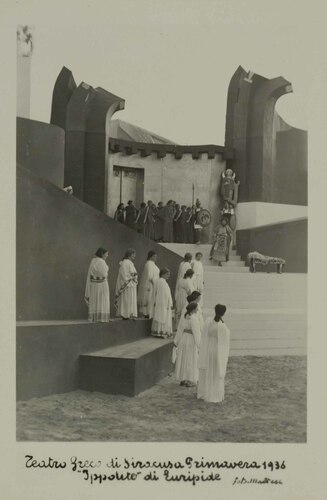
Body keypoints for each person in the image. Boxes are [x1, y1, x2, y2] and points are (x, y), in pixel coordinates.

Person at [197, 304, 230, 403]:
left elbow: (204, 335)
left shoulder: (208, 321)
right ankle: (214, 394)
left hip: (208, 349)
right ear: (223, 314)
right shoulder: (222, 326)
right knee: (216, 371)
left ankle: (206, 392)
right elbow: (225, 341)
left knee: (208, 370)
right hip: (217, 350)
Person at [174, 302, 201, 387]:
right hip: (191, 340)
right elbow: (197, 333)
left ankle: (183, 378)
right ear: (193, 309)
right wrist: (200, 346)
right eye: (197, 308)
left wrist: (176, 341)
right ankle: (190, 379)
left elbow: (179, 330)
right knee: (191, 359)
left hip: (183, 338)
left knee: (183, 358)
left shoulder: (184, 317)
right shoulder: (194, 319)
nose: (198, 309)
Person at [85, 248, 110, 322]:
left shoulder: (93, 261)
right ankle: (101, 318)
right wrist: (107, 268)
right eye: (106, 254)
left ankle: (94, 317)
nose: (107, 255)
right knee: (101, 300)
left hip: (94, 285)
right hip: (101, 285)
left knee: (95, 300)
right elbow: (104, 273)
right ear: (102, 254)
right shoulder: (101, 261)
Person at [115, 248, 138, 319]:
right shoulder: (125, 262)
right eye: (133, 254)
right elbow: (124, 274)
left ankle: (129, 313)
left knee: (130, 300)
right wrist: (132, 277)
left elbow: (134, 273)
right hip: (127, 285)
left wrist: (134, 277)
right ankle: (125, 314)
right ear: (129, 255)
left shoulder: (131, 263)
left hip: (131, 284)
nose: (134, 256)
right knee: (126, 300)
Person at [151, 267, 173, 338]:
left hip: (163, 303)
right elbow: (157, 293)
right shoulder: (160, 281)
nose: (168, 276)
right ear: (163, 274)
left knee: (161, 317)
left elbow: (168, 294)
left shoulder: (162, 282)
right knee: (161, 317)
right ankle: (160, 332)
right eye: (167, 274)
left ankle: (160, 332)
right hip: (161, 303)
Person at [137, 250, 160, 318]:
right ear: (150, 257)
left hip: (153, 284)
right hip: (150, 284)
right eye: (154, 256)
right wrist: (154, 284)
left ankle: (149, 313)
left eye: (156, 256)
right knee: (149, 298)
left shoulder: (152, 263)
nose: (156, 257)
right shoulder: (149, 263)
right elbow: (150, 276)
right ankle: (147, 313)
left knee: (151, 298)